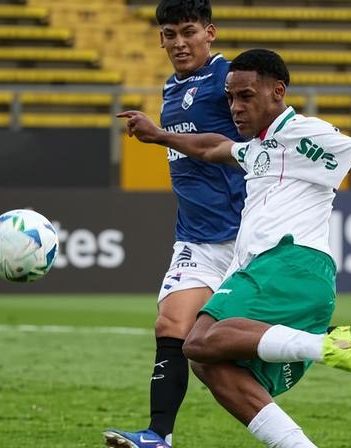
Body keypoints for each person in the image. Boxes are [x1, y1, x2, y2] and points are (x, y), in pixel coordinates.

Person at [119, 49, 351, 447]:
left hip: (291, 263)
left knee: (198, 340)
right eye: (229, 98)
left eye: (245, 96)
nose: (235, 107)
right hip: (269, 273)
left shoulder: (309, 134)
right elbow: (213, 147)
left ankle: (327, 347)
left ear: (277, 92)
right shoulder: (258, 146)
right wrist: (159, 136)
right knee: (212, 366)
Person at [102, 1, 246, 447]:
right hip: (197, 239)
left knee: (278, 345)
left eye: (188, 32)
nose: (178, 42)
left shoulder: (232, 82)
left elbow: (245, 140)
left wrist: (161, 136)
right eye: (169, 34)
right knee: (171, 326)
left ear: (210, 33)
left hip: (248, 237)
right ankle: (157, 435)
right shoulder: (171, 86)